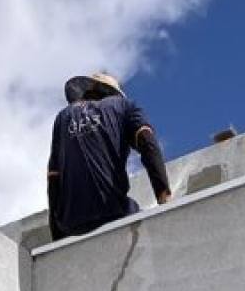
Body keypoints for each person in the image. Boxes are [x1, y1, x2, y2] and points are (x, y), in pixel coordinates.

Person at [46, 72, 173, 242]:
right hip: (114, 213)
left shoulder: (62, 118)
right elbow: (147, 143)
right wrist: (163, 196)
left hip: (72, 225)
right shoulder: (125, 106)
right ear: (114, 93)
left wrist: (57, 238)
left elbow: (53, 178)